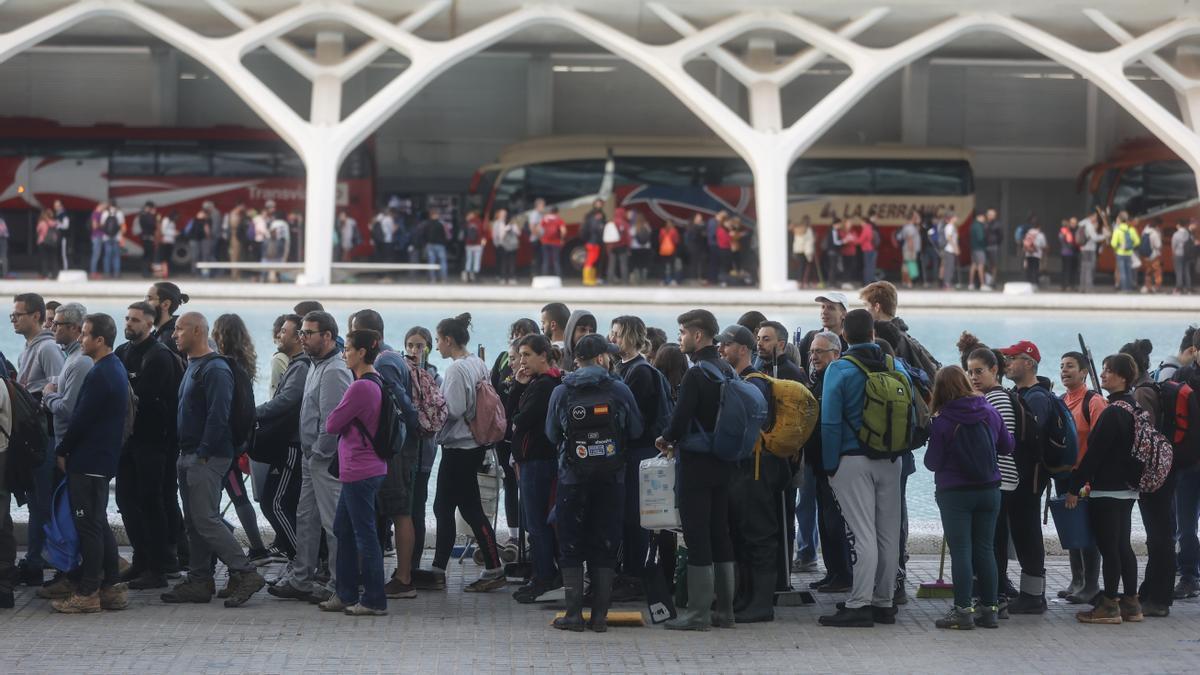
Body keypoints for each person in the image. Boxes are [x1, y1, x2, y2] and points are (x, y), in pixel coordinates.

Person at [817, 309, 913, 628]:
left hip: (851, 459)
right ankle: (884, 602)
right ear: (873, 334)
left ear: (844, 335)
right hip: (892, 459)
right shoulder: (895, 365)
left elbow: (830, 422)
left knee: (861, 534)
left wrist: (830, 465)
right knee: (887, 534)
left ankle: (859, 603)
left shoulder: (840, 369)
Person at [163, 312, 266, 607]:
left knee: (206, 519)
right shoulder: (193, 365)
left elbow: (218, 414)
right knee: (195, 521)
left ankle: (245, 571)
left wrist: (205, 452)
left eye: (180, 329)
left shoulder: (215, 369)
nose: (174, 334)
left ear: (197, 331)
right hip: (190, 453)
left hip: (206, 456)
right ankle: (199, 579)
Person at [546, 333, 642, 631]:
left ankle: (574, 615)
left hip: (571, 477)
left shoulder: (561, 391)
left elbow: (551, 433)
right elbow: (636, 429)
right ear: (601, 358)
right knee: (605, 545)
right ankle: (600, 617)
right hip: (612, 478)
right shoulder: (620, 390)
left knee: (571, 546)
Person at [654, 309, 736, 631]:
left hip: (697, 464)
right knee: (721, 533)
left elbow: (679, 420)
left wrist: (665, 438)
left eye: (683, 332)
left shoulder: (696, 373)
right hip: (724, 461)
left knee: (697, 535)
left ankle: (699, 613)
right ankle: (725, 611)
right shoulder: (727, 368)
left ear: (697, 335)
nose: (680, 339)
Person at [268, 311, 351, 603]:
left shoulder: (334, 370)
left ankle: (341, 583)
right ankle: (302, 577)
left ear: (327, 336)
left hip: (323, 460)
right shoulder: (315, 365)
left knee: (332, 523)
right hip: (310, 456)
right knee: (306, 519)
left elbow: (332, 422)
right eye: (301, 333)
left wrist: (319, 454)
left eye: (307, 333)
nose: (301, 338)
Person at [49, 313, 129, 613]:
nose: (80, 339)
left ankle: (88, 593)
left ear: (100, 340)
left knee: (88, 527)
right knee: (97, 523)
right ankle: (110, 588)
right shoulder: (114, 366)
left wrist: (63, 449)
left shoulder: (100, 374)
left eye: (84, 334)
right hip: (102, 458)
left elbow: (81, 419)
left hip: (89, 461)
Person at [924, 365, 1013, 629]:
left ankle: (963, 610)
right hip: (989, 491)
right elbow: (1008, 446)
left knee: (961, 550)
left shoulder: (943, 420)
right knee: (985, 549)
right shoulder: (989, 411)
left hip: (955, 493)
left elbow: (932, 462)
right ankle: (990, 609)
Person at [428, 313, 505, 591]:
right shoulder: (478, 363)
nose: (436, 347)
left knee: (468, 509)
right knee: (445, 507)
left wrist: (431, 407)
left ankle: (493, 568)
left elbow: (455, 409)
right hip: (472, 444)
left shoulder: (456, 370)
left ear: (449, 340)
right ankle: (439, 568)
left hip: (459, 446)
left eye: (438, 340)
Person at [716, 324, 786, 623]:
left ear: (742, 349)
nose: (722, 349)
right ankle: (747, 597)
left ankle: (762, 604)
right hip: (746, 469)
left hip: (757, 469)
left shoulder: (754, 382)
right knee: (744, 536)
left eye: (727, 345)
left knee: (759, 536)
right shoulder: (742, 379)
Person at [347, 310, 419, 600]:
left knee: (399, 510)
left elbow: (401, 407)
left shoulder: (384, 362)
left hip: (393, 450)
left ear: (369, 339)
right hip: (391, 448)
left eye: (354, 334)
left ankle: (403, 578)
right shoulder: (391, 357)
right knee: (383, 511)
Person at [1067, 353, 1143, 624]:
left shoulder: (1113, 412)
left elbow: (1094, 453)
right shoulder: (1136, 407)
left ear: (1122, 376)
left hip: (1107, 488)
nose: (1104, 375)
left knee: (1109, 548)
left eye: (1109, 371)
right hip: (1129, 488)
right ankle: (1132, 604)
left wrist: (1075, 486)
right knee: (1123, 546)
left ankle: (1109, 605)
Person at [318, 329, 391, 616]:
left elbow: (332, 423)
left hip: (361, 470)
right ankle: (346, 592)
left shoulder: (360, 386)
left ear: (362, 352)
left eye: (347, 349)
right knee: (343, 529)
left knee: (365, 535)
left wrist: (339, 415)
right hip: (362, 469)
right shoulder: (375, 380)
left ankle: (374, 599)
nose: (343, 353)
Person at [112, 302, 183, 591]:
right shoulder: (123, 352)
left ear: (150, 325)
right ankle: (141, 560)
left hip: (154, 442)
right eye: (127, 318)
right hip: (128, 442)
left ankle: (159, 566)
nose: (129, 323)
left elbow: (142, 397)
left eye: (136, 320)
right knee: (125, 500)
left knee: (150, 501)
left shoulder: (159, 356)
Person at [34, 303, 91, 600]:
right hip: (66, 448)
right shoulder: (71, 358)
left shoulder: (79, 362)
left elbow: (69, 408)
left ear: (74, 328)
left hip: (70, 450)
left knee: (79, 518)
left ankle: (82, 579)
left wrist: (49, 395)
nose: (51, 328)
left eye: (56, 324)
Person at [610, 316, 668, 601]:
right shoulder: (624, 368)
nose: (613, 340)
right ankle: (627, 570)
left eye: (618, 334)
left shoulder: (640, 371)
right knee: (626, 515)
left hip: (638, 451)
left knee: (634, 517)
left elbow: (635, 418)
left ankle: (633, 574)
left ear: (631, 336)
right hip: (630, 451)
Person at [11, 292, 64, 586]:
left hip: (45, 437)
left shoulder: (47, 349)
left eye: (18, 315)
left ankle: (38, 559)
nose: (14, 320)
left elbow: (60, 388)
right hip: (33, 437)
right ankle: (35, 557)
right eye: (12, 315)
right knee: (34, 501)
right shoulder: (27, 349)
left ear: (36, 316)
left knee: (42, 502)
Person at [997, 340, 1053, 613]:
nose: (1007, 362)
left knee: (1027, 533)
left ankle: (1033, 597)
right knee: (1020, 531)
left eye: (1013, 357)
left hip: (1028, 477)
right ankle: (1026, 593)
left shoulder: (1037, 397)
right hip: (1019, 476)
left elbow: (1032, 440)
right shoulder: (1020, 393)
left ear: (1029, 363)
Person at [507, 334, 563, 603]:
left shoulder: (545, 385)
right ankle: (543, 573)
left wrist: (518, 418)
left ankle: (544, 576)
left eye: (528, 354)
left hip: (538, 461)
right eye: (520, 355)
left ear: (544, 355)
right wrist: (518, 387)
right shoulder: (538, 383)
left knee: (537, 522)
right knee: (537, 521)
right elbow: (512, 417)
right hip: (533, 460)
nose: (522, 360)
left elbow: (522, 419)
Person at [211, 315, 269, 564]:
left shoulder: (224, 366)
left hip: (226, 444)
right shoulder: (244, 363)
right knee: (237, 494)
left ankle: (254, 547)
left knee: (232, 496)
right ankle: (254, 545)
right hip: (239, 440)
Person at [254, 314, 309, 565]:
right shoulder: (297, 363)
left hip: (293, 446)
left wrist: (252, 413)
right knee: (276, 502)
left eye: (285, 331)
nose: (280, 335)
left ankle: (302, 562)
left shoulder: (300, 366)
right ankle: (298, 559)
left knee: (275, 503)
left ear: (298, 336)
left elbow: (286, 401)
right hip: (290, 444)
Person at [804, 331, 853, 593]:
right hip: (819, 463)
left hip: (834, 463)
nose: (814, 357)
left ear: (836, 353)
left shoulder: (837, 379)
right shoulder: (820, 379)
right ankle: (833, 571)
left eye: (819, 352)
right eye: (812, 352)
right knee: (825, 520)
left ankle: (843, 574)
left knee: (835, 522)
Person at [1058, 351, 1106, 604]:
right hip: (1064, 475)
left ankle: (1090, 584)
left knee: (1086, 531)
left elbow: (1101, 443)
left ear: (1084, 371)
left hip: (1085, 476)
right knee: (1071, 530)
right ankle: (1076, 580)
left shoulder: (1094, 401)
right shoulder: (1061, 400)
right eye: (1062, 366)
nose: (1065, 371)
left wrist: (1087, 478)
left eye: (1070, 366)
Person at [402, 326, 441, 588]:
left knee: (417, 507)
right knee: (403, 506)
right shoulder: (400, 370)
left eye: (420, 346)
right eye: (411, 345)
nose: (415, 351)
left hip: (423, 452)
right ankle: (405, 562)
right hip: (402, 451)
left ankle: (413, 564)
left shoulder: (433, 376)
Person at [796, 293, 849, 374]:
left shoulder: (848, 344)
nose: (824, 311)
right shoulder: (810, 338)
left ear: (844, 314)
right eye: (823, 307)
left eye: (831, 308)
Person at [145, 282, 189, 355]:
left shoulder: (169, 341)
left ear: (166, 304)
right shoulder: (158, 334)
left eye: (149, 299)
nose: (144, 303)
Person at [1079, 209, 1108, 293]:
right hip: (1089, 249)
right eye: (1095, 216)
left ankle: (1082, 287)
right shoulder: (1089, 226)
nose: (1096, 218)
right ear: (1090, 216)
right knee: (1089, 269)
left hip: (1083, 249)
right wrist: (1104, 236)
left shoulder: (1083, 223)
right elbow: (1095, 238)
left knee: (1084, 269)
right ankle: (1089, 288)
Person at [1111, 212, 1141, 293]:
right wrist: (1131, 246)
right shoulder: (1131, 230)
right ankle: (1129, 288)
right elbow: (1137, 241)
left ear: (1120, 220)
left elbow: (1113, 243)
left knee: (1122, 272)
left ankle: (1124, 289)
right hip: (1129, 253)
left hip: (1120, 253)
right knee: (1129, 271)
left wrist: (1118, 248)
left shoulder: (1117, 230)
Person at [492, 209, 520, 285]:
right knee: (503, 262)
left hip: (512, 245)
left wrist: (512, 228)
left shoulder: (513, 224)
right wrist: (496, 243)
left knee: (511, 262)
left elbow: (518, 233)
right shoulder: (498, 223)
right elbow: (497, 235)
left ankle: (511, 277)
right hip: (503, 245)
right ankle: (503, 277)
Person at [895, 213, 921, 289]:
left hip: (907, 249)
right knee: (910, 265)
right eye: (915, 218)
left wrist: (918, 220)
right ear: (912, 218)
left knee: (905, 266)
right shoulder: (910, 228)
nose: (917, 219)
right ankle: (909, 282)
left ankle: (905, 281)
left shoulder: (908, 226)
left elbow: (918, 227)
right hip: (910, 249)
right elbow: (910, 239)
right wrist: (912, 250)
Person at [1140, 220, 1165, 294]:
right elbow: (1158, 245)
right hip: (1154, 256)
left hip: (1146, 256)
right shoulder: (1154, 234)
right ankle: (1157, 287)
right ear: (1156, 226)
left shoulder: (1144, 232)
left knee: (1148, 272)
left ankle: (1148, 286)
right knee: (1157, 272)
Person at [790, 218, 815, 288]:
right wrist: (809, 252)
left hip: (798, 251)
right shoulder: (808, 230)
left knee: (800, 267)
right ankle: (805, 282)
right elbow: (809, 242)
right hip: (806, 251)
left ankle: (799, 282)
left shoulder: (796, 230)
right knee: (805, 268)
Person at [540, 206, 564, 278]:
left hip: (545, 241)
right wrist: (562, 239)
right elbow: (563, 231)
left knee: (545, 259)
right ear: (557, 212)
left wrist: (541, 238)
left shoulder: (544, 219)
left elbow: (539, 229)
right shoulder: (559, 220)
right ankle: (558, 276)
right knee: (556, 259)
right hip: (556, 242)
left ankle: (544, 275)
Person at [36, 208, 60, 279]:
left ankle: (45, 274)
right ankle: (55, 274)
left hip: (43, 242)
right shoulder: (54, 222)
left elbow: (38, 230)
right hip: (53, 243)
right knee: (54, 259)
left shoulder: (42, 223)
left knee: (44, 259)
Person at [1059, 218, 1081, 291]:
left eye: (1074, 223)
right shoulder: (1065, 231)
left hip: (1075, 252)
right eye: (1072, 223)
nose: (1073, 224)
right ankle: (1065, 285)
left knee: (1074, 270)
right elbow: (1062, 240)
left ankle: (1072, 285)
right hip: (1067, 252)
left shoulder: (1078, 230)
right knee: (1066, 269)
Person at [462, 211, 484, 283]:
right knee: (476, 260)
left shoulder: (467, 223)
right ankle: (476, 276)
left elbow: (464, 234)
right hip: (477, 244)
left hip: (468, 244)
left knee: (469, 260)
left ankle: (468, 276)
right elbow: (482, 232)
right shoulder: (479, 222)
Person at [1173, 219, 1193, 294]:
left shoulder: (1176, 234)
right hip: (1187, 255)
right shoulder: (1188, 234)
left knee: (1179, 271)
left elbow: (1173, 246)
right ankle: (1188, 288)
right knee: (1186, 271)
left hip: (1178, 254)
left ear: (1179, 225)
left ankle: (1179, 288)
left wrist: (1174, 253)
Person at [659, 218, 682, 286]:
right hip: (672, 251)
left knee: (663, 266)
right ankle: (672, 280)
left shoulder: (662, 230)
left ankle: (663, 280)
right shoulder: (674, 231)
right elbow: (676, 241)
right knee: (672, 266)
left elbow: (660, 240)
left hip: (663, 251)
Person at [969, 212, 988, 291]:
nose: (984, 219)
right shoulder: (979, 226)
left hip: (973, 248)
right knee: (981, 266)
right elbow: (981, 237)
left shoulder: (973, 225)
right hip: (980, 248)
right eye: (984, 217)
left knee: (973, 265)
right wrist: (985, 243)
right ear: (979, 217)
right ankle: (982, 284)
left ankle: (971, 284)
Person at [941, 213, 960, 290]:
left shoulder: (952, 226)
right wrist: (955, 248)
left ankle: (948, 283)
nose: (956, 218)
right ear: (951, 218)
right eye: (955, 217)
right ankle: (946, 284)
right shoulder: (949, 226)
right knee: (949, 267)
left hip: (951, 249)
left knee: (950, 267)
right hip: (949, 249)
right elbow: (949, 238)